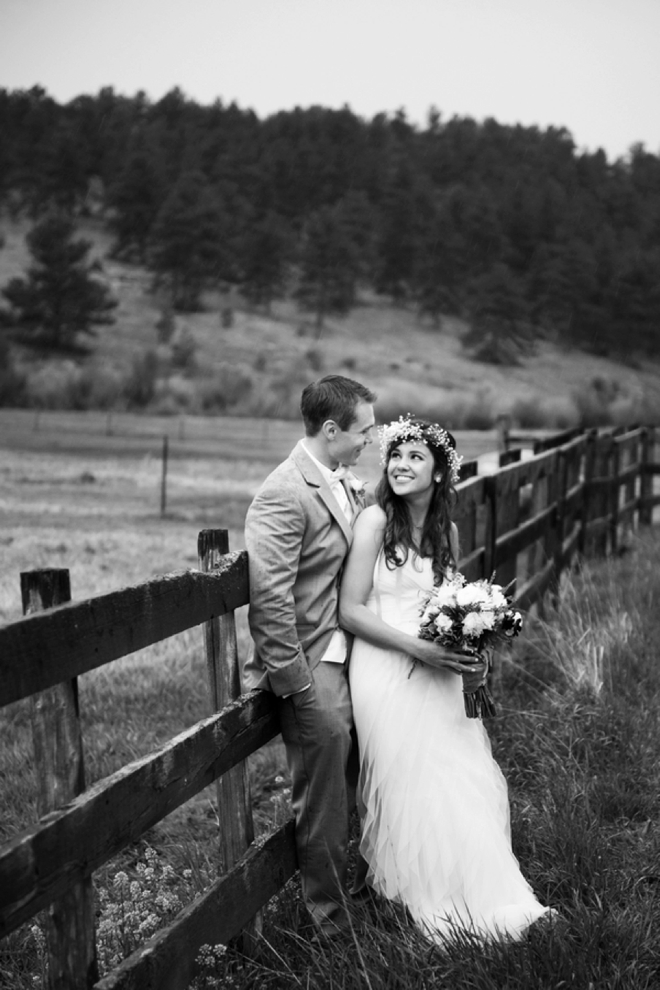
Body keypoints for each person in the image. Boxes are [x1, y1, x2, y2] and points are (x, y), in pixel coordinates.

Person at [339, 415, 554, 944]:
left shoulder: (446, 532)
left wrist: (469, 652)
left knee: (457, 770)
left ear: (438, 474)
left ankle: (476, 888)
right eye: (395, 455)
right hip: (384, 661)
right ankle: (418, 892)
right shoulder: (373, 523)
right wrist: (417, 648)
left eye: (415, 458)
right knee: (408, 774)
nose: (401, 465)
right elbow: (349, 610)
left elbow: (445, 607)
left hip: (437, 665)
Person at [243, 374, 377, 936]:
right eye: (363, 431)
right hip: (310, 662)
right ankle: (329, 924)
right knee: (323, 797)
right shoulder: (282, 492)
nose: (371, 440)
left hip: (348, 654)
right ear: (331, 430)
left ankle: (364, 892)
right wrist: (295, 684)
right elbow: (269, 596)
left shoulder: (339, 478)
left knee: (358, 777)